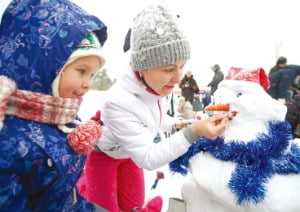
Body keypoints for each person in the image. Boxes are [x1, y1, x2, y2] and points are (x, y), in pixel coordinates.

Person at [77, 5, 227, 212]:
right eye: (168, 69)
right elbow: (149, 158)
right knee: (104, 208)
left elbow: (157, 119)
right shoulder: (117, 102)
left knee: (134, 205)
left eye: (182, 66)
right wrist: (195, 131)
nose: (178, 77)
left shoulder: (157, 87)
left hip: (129, 155)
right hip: (104, 156)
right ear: (142, 67)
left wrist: (192, 122)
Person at [0, 0, 107, 211]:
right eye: (82, 71)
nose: (88, 83)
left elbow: (66, 195)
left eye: (93, 74)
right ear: (48, 67)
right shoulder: (11, 144)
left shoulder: (62, 118)